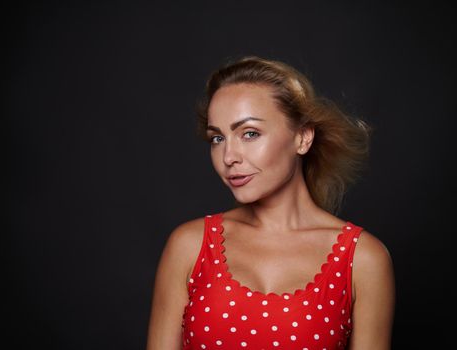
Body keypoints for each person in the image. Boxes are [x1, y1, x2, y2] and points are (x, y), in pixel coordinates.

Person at [146, 56, 395, 350]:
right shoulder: (189, 245)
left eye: (249, 133)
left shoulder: (362, 259)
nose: (228, 157)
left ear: (302, 137)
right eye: (217, 139)